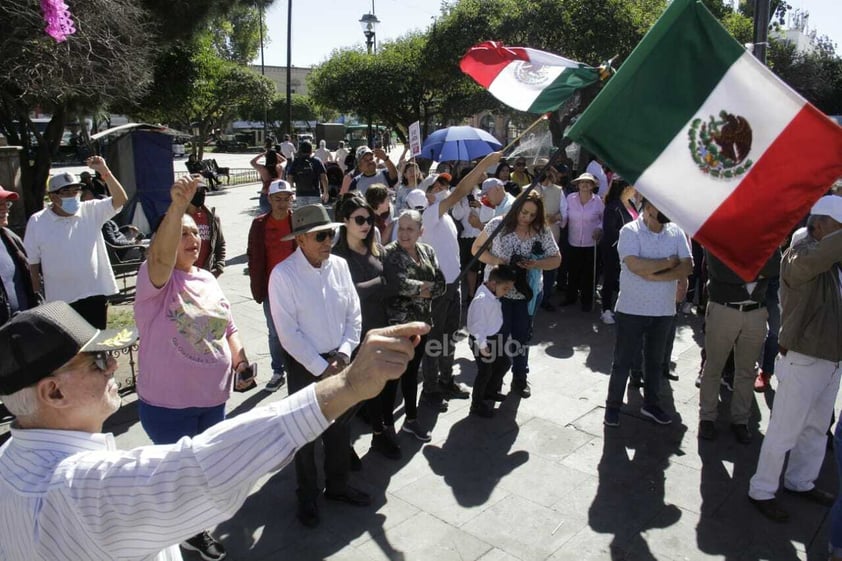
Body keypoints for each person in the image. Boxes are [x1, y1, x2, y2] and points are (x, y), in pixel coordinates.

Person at [0, 300, 428, 561]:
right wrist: (349, 385)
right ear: (52, 392)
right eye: (95, 362)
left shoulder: (8, 461)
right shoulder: (78, 491)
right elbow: (202, 467)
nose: (113, 365)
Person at [133, 176, 251, 559]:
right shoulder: (155, 282)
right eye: (182, 233)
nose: (193, 238)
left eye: (195, 233)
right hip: (169, 406)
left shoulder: (206, 278)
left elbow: (227, 326)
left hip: (212, 400)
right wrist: (177, 208)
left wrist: (240, 357)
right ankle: (187, 533)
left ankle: (191, 525)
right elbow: (161, 257)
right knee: (180, 477)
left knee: (203, 470)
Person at [268, 204, 367, 528]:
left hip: (341, 359)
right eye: (322, 236)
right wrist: (320, 366)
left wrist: (345, 352)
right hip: (304, 366)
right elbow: (287, 333)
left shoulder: (339, 265)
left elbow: (354, 312)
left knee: (340, 430)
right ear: (300, 240)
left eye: (332, 233)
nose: (330, 241)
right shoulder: (283, 275)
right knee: (305, 435)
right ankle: (307, 494)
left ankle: (337, 486)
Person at [748, 195, 842, 523]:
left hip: (831, 361)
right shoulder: (798, 256)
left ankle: (800, 480)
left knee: (817, 427)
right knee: (784, 430)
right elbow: (819, 256)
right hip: (803, 359)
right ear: (819, 227)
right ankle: (762, 489)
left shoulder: (832, 263)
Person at [419, 154, 502, 408]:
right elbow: (461, 190)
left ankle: (446, 381)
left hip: (452, 285)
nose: (444, 189)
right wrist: (484, 164)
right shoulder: (429, 214)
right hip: (439, 286)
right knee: (435, 339)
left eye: (445, 185)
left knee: (449, 336)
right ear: (427, 194)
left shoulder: (445, 218)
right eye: (437, 187)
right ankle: (431, 389)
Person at [603, 198, 692, 428]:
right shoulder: (630, 231)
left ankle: (652, 403)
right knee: (622, 361)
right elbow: (635, 265)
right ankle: (613, 406)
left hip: (663, 310)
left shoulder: (675, 231)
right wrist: (669, 262)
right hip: (632, 309)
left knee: (655, 361)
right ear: (648, 207)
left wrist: (657, 275)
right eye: (661, 205)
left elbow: (688, 266)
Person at [472, 191, 561, 399]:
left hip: (526, 294)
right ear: (516, 207)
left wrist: (535, 263)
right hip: (498, 294)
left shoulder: (541, 230)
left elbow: (556, 259)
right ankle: (494, 382)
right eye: (524, 212)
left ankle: (520, 378)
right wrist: (499, 261)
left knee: (522, 337)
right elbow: (476, 249)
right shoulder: (497, 224)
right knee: (498, 337)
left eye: (532, 215)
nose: (527, 218)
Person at [24, 156, 128, 329]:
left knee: (95, 343)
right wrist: (35, 297)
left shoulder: (91, 210)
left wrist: (104, 171)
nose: (73, 196)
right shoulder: (38, 221)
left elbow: (120, 199)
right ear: (53, 197)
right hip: (61, 299)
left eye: (76, 191)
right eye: (66, 192)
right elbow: (32, 262)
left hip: (94, 292)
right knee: (71, 348)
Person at [332, 194, 398, 459]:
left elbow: (391, 283)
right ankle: (342, 446)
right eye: (359, 219)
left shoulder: (375, 249)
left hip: (380, 329)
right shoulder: (337, 257)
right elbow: (350, 294)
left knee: (379, 390)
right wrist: (381, 283)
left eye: (369, 219)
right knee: (352, 394)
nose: (366, 225)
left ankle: (380, 436)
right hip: (352, 336)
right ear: (344, 221)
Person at [697, 249, 780, 443]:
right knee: (713, 367)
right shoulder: (720, 233)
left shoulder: (766, 238)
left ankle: (740, 420)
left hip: (756, 312)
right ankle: (707, 418)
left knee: (746, 371)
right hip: (724, 309)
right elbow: (720, 271)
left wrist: (741, 266)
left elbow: (775, 266)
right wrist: (758, 268)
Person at [382, 210, 446, 441]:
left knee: (411, 374)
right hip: (399, 327)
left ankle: (411, 419)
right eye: (402, 228)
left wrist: (418, 288)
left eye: (410, 229)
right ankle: (386, 426)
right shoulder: (388, 253)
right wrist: (423, 288)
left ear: (421, 231)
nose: (405, 233)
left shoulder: (427, 251)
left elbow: (441, 284)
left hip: (422, 325)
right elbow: (398, 284)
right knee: (392, 378)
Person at [247, 179, 297, 392]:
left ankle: (297, 367)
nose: (282, 203)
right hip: (270, 287)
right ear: (269, 199)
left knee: (299, 328)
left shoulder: (298, 221)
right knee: (275, 332)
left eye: (286, 198)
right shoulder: (259, 224)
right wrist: (256, 282)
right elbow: (253, 254)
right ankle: (278, 370)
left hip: (297, 286)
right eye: (277, 199)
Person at [467, 265, 517, 417]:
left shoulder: (489, 292)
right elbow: (477, 327)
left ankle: (489, 392)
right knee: (485, 372)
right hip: (481, 341)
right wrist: (482, 346)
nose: (506, 292)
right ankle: (476, 404)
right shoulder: (482, 301)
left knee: (504, 363)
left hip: (493, 338)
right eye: (505, 289)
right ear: (494, 284)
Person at [599, 177, 638, 324]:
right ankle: (606, 310)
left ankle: (623, 307)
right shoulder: (613, 207)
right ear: (625, 189)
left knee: (624, 278)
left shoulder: (630, 204)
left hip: (629, 249)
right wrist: (629, 236)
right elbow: (609, 230)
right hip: (613, 248)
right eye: (633, 187)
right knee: (609, 278)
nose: (635, 190)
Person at [563, 172, 605, 312]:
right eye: (582, 182)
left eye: (588, 182)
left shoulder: (598, 201)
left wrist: (599, 228)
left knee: (589, 273)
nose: (585, 184)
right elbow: (564, 215)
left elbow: (604, 219)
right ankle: (571, 297)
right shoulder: (570, 198)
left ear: (593, 186)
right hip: (573, 241)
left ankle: (586, 300)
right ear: (578, 185)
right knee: (573, 271)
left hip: (590, 243)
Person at [0, 186, 39, 326]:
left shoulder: (10, 238)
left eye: (6, 203)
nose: (5, 209)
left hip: (20, 331)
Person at [535, 164, 567, 311]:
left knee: (549, 268)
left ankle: (545, 298)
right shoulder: (528, 189)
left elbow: (565, 213)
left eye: (546, 170)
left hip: (551, 234)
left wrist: (556, 218)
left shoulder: (558, 191)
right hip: (531, 235)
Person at [185, 180, 226, 277]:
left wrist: (219, 266)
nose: (202, 194)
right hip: (182, 274)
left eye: (203, 191)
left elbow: (220, 244)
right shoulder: (179, 218)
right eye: (197, 191)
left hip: (206, 273)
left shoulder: (212, 217)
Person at [285, 141, 328, 206]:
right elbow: (323, 178)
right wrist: (325, 192)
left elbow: (289, 177)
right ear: (311, 151)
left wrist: (290, 192)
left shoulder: (296, 162)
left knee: (302, 215)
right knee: (314, 215)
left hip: (300, 194)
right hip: (315, 194)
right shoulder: (316, 161)